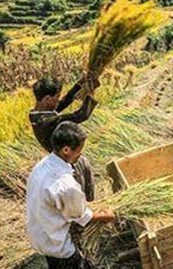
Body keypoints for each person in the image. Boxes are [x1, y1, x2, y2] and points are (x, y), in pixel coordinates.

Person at [26, 121, 115, 269]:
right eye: (79, 151)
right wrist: (106, 216)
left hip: (41, 235)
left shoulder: (41, 166)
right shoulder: (65, 185)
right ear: (66, 150)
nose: (80, 155)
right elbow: (79, 215)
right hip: (58, 244)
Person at [29, 76, 97, 201]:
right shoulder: (45, 121)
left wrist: (80, 84)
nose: (59, 100)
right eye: (57, 97)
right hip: (67, 161)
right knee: (79, 197)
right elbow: (81, 115)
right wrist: (90, 94)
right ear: (48, 99)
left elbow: (64, 101)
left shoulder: (40, 111)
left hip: (70, 156)